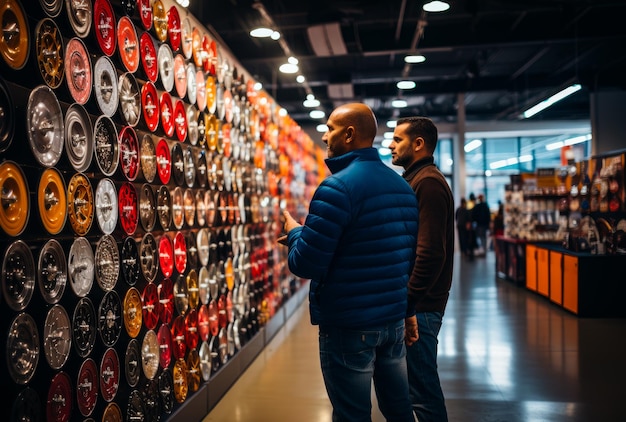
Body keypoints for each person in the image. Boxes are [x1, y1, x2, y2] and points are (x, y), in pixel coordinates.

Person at [280, 103, 419, 422]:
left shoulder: (336, 188)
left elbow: (306, 263)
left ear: (350, 134)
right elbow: (404, 258)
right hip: (391, 322)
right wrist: (407, 311)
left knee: (352, 414)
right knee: (399, 409)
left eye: (330, 129)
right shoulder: (402, 187)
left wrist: (295, 233)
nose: (325, 136)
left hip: (349, 325)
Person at [389, 116, 454, 422]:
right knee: (415, 389)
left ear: (418, 144)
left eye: (397, 139)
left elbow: (430, 253)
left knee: (423, 393)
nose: (391, 144)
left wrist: (408, 302)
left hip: (422, 308)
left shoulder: (427, 183)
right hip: (418, 305)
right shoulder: (417, 179)